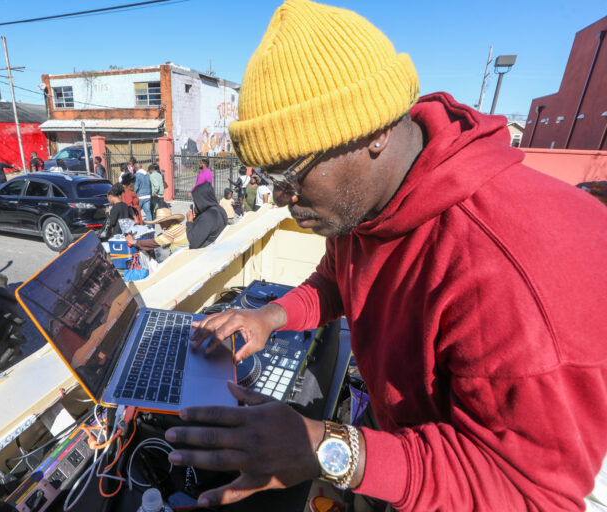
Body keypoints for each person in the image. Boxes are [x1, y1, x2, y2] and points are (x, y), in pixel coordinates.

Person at [167, 1, 607, 511]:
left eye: (288, 174)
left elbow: (523, 490)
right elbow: (339, 278)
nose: (278, 198)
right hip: (408, 438)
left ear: (373, 131)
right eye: (268, 179)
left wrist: (327, 448)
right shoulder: (368, 201)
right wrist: (270, 316)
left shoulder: (506, 269)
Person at [186, 182, 228, 248]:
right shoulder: (219, 209)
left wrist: (189, 222)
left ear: (201, 200)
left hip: (205, 252)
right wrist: (196, 218)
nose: (195, 203)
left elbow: (193, 242)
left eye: (196, 200)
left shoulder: (208, 217)